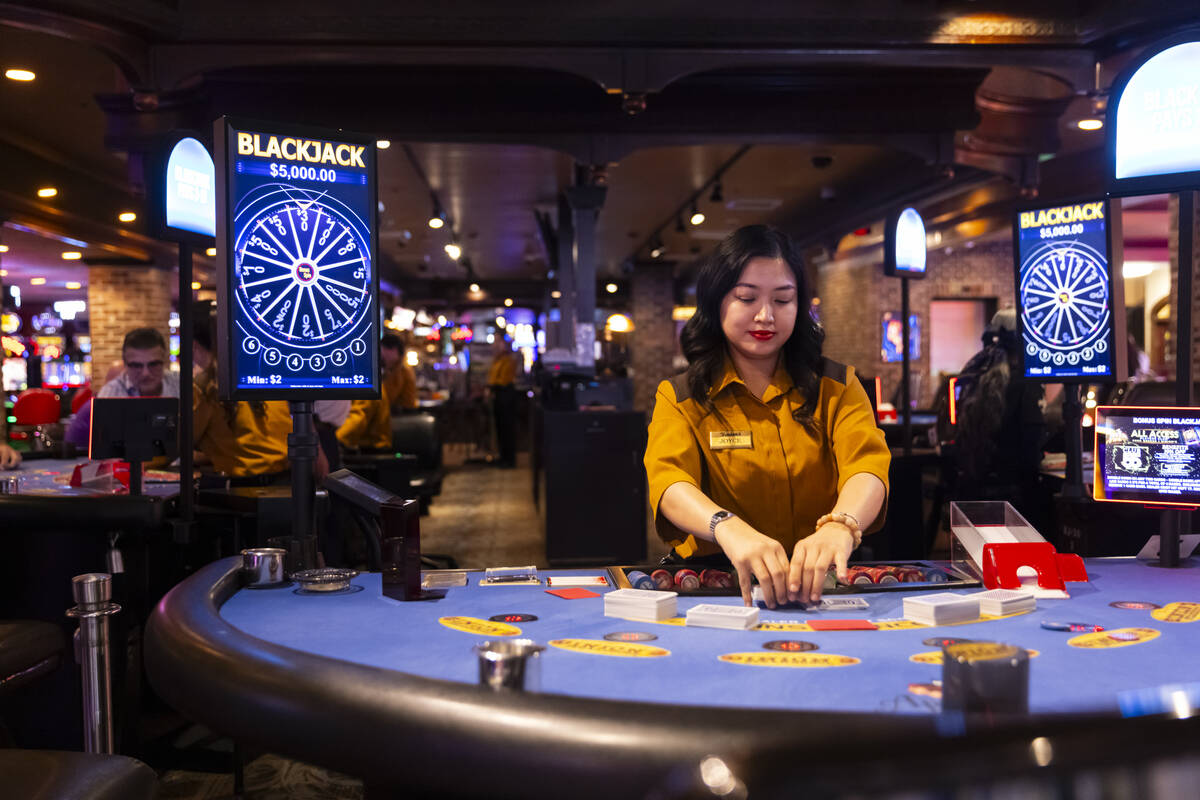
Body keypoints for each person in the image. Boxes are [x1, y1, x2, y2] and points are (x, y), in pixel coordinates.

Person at [644, 225, 890, 608]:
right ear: (716, 302)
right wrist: (726, 527)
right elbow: (670, 482)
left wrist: (842, 524)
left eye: (782, 300)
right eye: (746, 298)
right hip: (719, 587)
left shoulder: (837, 386)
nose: (765, 315)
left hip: (822, 584)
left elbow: (868, 467)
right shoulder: (681, 396)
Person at [950, 308, 1046, 521]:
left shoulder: (972, 373)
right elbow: (1030, 450)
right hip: (1012, 503)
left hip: (970, 495)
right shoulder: (1026, 383)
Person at [65, 327, 179, 449]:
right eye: (136, 365)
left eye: (153, 364)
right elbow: (108, 451)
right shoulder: (111, 393)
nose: (145, 373)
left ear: (165, 361)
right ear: (125, 365)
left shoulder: (181, 384)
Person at [486, 335, 520, 468]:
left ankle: (509, 459)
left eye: (497, 342)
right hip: (498, 396)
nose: (494, 345)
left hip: (506, 395)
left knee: (507, 428)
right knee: (500, 428)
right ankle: (503, 456)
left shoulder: (509, 360)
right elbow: (492, 377)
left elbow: (503, 380)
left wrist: (491, 386)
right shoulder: (497, 360)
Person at [381, 334, 418, 412]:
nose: (381, 355)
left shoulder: (400, 370)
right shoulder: (401, 367)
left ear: (393, 350)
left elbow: (387, 397)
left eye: (382, 349)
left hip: (402, 416)